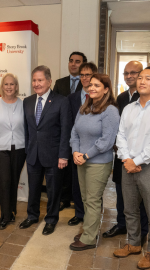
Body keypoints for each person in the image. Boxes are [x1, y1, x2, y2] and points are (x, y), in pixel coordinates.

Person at [113, 67, 150, 270]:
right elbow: (120, 135)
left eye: (147, 78)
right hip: (127, 165)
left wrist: (136, 161)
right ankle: (134, 244)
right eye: (140, 78)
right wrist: (127, 159)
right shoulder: (129, 108)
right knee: (129, 210)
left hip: (149, 168)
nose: (141, 81)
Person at [103, 61, 150, 242]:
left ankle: (143, 232)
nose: (130, 76)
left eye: (134, 73)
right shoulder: (121, 98)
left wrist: (136, 160)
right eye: (126, 73)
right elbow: (118, 128)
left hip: (145, 160)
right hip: (123, 156)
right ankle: (122, 224)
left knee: (143, 198)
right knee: (122, 194)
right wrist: (124, 154)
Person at [69, 74, 120, 251]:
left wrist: (85, 155)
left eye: (97, 86)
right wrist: (75, 151)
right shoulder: (85, 107)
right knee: (84, 199)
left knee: (92, 200)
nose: (92, 88)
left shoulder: (110, 111)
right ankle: (89, 230)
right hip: (81, 160)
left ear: (106, 89)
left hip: (98, 162)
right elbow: (74, 132)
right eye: (90, 85)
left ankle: (89, 237)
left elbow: (107, 141)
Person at [20, 65, 72, 235]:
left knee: (53, 190)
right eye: (34, 80)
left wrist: (63, 155)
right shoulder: (27, 101)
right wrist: (28, 150)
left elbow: (66, 130)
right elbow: (28, 130)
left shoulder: (61, 101)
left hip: (54, 155)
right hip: (33, 154)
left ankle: (51, 219)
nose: (37, 83)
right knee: (33, 188)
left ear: (49, 81)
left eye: (40, 80)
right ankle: (32, 216)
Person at [0, 73, 26, 230]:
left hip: (19, 149)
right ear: (2, 87)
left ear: (16, 87)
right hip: (0, 149)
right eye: (6, 84)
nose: (9, 87)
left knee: (14, 181)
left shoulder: (23, 104)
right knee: (4, 182)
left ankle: (12, 210)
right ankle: (5, 215)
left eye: (12, 84)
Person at [53, 51, 88, 211]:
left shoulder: (88, 84)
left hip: (81, 133)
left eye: (77, 61)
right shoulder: (60, 83)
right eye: (71, 61)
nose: (73, 64)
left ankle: (78, 201)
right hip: (62, 132)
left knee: (77, 170)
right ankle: (64, 199)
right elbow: (54, 106)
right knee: (63, 168)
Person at [66, 62, 98, 226]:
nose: (85, 78)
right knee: (77, 183)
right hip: (76, 148)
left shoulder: (100, 98)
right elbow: (68, 125)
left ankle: (92, 215)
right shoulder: (71, 98)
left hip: (94, 149)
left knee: (92, 185)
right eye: (82, 75)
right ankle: (79, 213)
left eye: (88, 75)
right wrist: (73, 149)